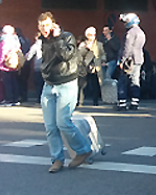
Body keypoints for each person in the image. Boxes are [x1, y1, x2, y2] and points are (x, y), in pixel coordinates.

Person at [38, 12, 92, 173]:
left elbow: (66, 55)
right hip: (49, 84)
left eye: (47, 25)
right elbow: (46, 61)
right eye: (41, 26)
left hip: (66, 82)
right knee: (50, 126)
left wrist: (57, 39)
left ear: (54, 25)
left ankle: (83, 150)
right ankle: (56, 159)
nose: (44, 28)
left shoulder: (66, 37)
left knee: (63, 122)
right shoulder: (43, 41)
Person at [117, 13, 145, 110]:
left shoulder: (131, 33)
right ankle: (135, 102)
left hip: (130, 61)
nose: (124, 24)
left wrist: (122, 60)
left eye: (125, 22)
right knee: (135, 81)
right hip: (138, 59)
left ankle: (122, 103)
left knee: (122, 81)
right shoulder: (141, 32)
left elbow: (127, 47)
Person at [0, 25, 23, 106]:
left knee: (7, 83)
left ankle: (8, 99)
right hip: (14, 64)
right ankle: (15, 99)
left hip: (5, 65)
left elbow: (1, 54)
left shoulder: (4, 41)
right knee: (14, 82)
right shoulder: (15, 40)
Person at [77, 27, 104, 107]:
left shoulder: (99, 44)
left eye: (93, 35)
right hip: (85, 67)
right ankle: (79, 101)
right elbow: (79, 55)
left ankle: (95, 101)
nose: (92, 36)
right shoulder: (83, 44)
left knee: (96, 84)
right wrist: (85, 48)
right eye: (90, 35)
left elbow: (102, 54)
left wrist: (103, 60)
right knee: (81, 85)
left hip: (95, 67)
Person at [25, 34, 44, 103]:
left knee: (38, 83)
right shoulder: (49, 44)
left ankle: (39, 98)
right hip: (48, 67)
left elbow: (29, 56)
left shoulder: (36, 45)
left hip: (38, 66)